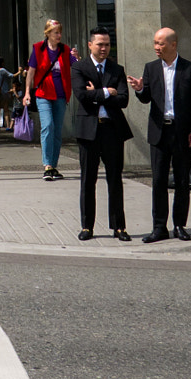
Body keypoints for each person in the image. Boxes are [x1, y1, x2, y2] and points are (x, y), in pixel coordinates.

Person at [128, 26, 191, 242]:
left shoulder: (189, 69)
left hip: (182, 133)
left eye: (161, 43)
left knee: (182, 180)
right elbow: (146, 99)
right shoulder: (151, 68)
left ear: (173, 44)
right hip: (159, 132)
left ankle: (179, 225)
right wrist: (139, 89)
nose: (156, 47)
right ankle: (159, 227)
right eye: (155, 43)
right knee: (158, 180)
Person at [71, 28, 132, 242]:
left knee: (115, 180)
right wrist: (108, 92)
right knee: (88, 180)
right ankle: (87, 226)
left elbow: (123, 99)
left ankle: (119, 227)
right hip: (88, 131)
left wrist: (96, 92)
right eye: (100, 44)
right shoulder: (79, 67)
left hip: (112, 130)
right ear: (90, 45)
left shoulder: (117, 69)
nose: (104, 48)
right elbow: (81, 95)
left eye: (107, 44)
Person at [23, 18, 78, 180]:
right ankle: (47, 165)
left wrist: (77, 56)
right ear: (48, 34)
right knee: (47, 126)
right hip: (43, 94)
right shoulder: (38, 49)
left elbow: (77, 65)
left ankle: (54, 165)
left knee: (57, 131)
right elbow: (31, 72)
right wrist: (27, 92)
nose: (59, 35)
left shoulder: (65, 49)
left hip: (61, 94)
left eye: (60, 32)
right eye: (56, 32)